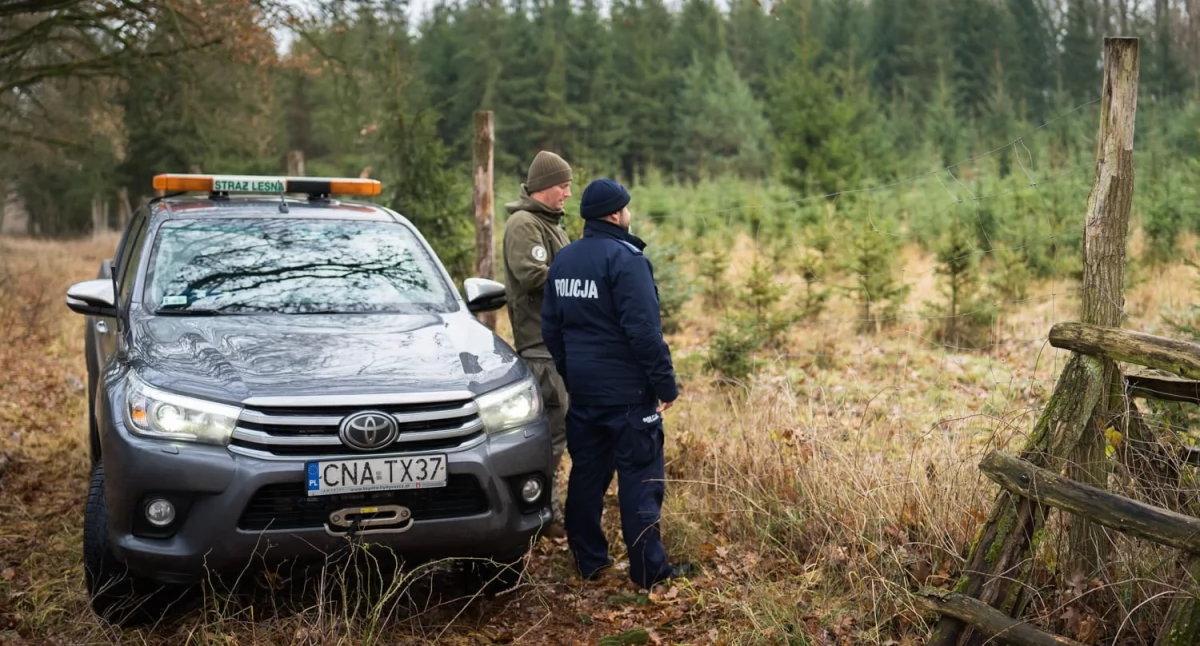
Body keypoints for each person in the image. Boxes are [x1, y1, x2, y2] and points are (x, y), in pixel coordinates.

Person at [541, 177, 691, 589]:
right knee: (641, 481)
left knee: (587, 476)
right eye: (625, 208)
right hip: (628, 396)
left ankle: (589, 562)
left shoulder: (565, 260)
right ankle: (649, 572)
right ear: (615, 214)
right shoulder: (627, 261)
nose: (629, 214)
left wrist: (572, 374)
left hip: (585, 394)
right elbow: (644, 332)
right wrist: (665, 386)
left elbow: (550, 329)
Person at [502, 150, 573, 537]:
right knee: (552, 434)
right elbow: (532, 276)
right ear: (546, 186)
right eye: (564, 186)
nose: (567, 194)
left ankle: (551, 509)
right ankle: (544, 513)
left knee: (561, 431)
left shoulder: (550, 224)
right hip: (541, 347)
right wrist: (580, 278)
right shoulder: (524, 224)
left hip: (558, 344)